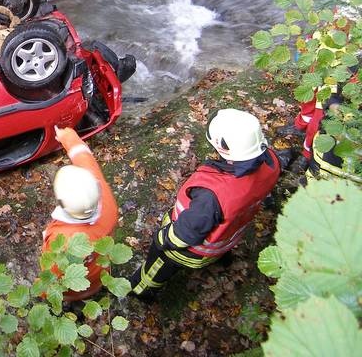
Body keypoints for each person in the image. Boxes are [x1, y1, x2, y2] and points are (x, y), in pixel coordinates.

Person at [129, 109, 284, 299]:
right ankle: (222, 260)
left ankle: (141, 290)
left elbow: (185, 234)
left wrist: (161, 239)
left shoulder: (213, 195)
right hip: (227, 238)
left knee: (158, 265)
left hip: (190, 251)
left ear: (225, 148)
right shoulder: (272, 162)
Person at [42, 126, 119, 300]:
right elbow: (85, 159)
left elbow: (53, 273)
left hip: (74, 290)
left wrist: (43, 292)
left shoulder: (62, 239)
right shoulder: (107, 203)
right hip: (100, 274)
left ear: (61, 202)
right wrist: (68, 136)